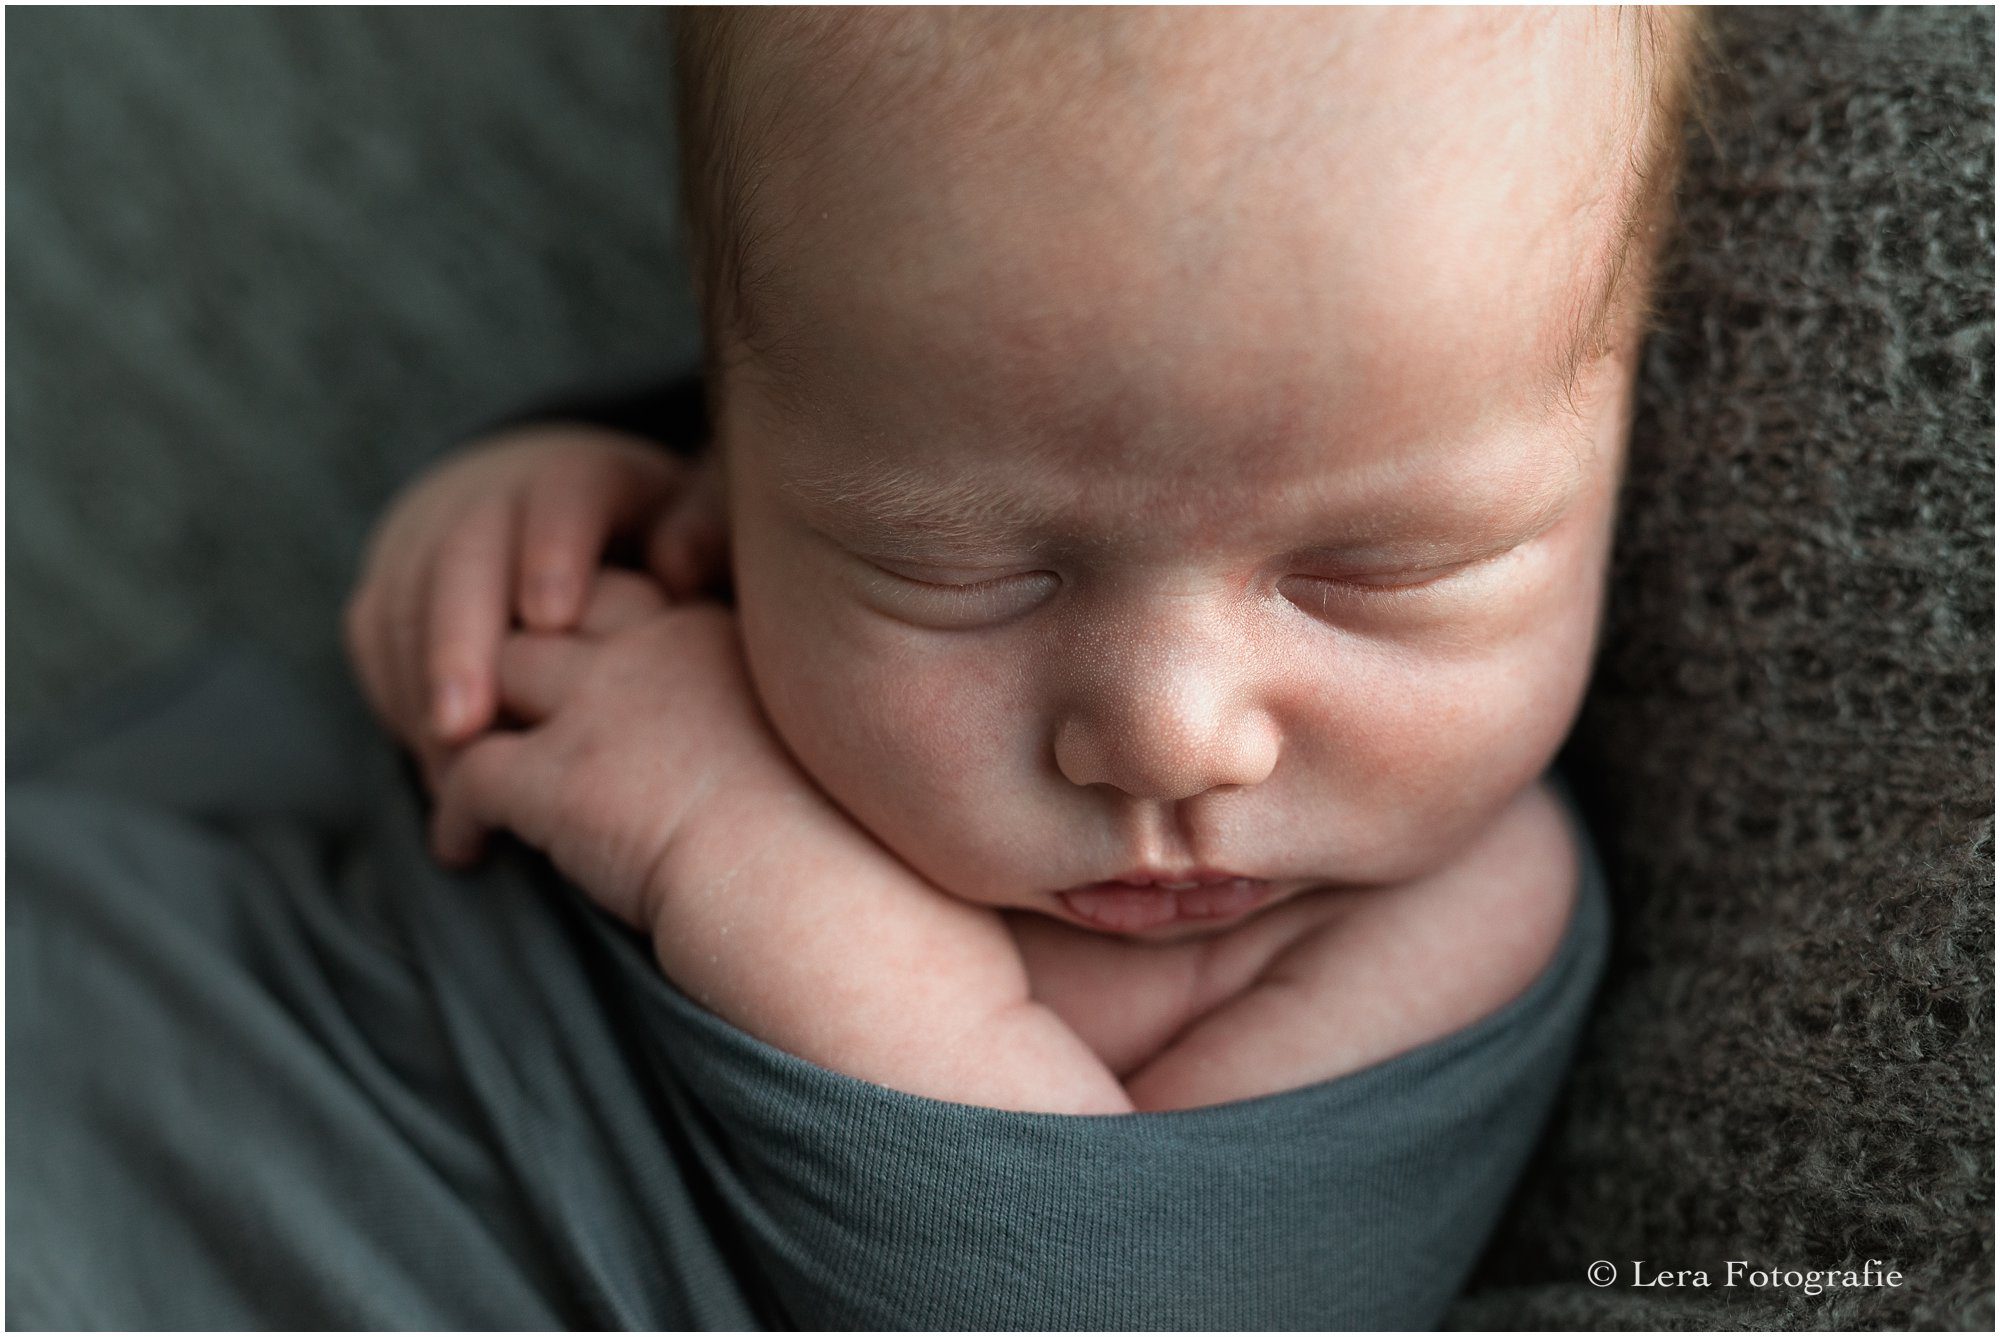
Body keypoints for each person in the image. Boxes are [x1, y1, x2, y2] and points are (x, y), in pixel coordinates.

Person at [347, 7, 1707, 1114]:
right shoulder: (741, 517)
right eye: (962, 569)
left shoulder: (1462, 918)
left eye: (1379, 571)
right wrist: (530, 521)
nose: (1168, 741)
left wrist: (732, 853)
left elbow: (1141, 1290)